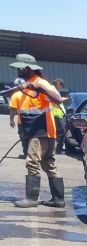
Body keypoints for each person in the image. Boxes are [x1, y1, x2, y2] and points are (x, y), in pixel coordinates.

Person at [9, 54, 66, 208]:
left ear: (27, 68)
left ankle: (32, 198)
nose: (17, 71)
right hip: (39, 130)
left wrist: (39, 88)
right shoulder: (28, 84)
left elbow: (57, 97)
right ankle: (58, 199)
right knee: (48, 163)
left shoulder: (40, 83)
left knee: (32, 162)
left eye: (20, 68)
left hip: (42, 131)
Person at [7, 78, 29, 158]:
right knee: (32, 137)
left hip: (22, 121)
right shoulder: (32, 93)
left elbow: (13, 109)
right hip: (34, 120)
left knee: (24, 138)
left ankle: (27, 154)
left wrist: (11, 120)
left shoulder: (16, 95)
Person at [51, 77, 67, 153]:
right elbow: (57, 101)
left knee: (59, 132)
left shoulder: (53, 90)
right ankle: (58, 149)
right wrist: (62, 99)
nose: (61, 87)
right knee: (61, 131)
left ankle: (57, 148)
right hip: (58, 115)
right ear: (58, 84)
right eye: (61, 85)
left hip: (58, 114)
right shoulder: (53, 91)